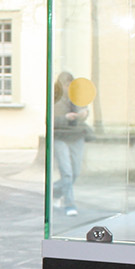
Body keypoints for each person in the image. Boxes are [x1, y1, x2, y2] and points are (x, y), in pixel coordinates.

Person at [51, 71, 90, 216]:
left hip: (76, 135)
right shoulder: (54, 99)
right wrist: (65, 117)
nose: (68, 88)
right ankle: (69, 204)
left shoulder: (78, 96)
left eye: (70, 84)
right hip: (60, 136)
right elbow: (49, 121)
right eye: (65, 85)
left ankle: (55, 190)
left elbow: (84, 111)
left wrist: (83, 114)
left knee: (75, 172)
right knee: (66, 172)